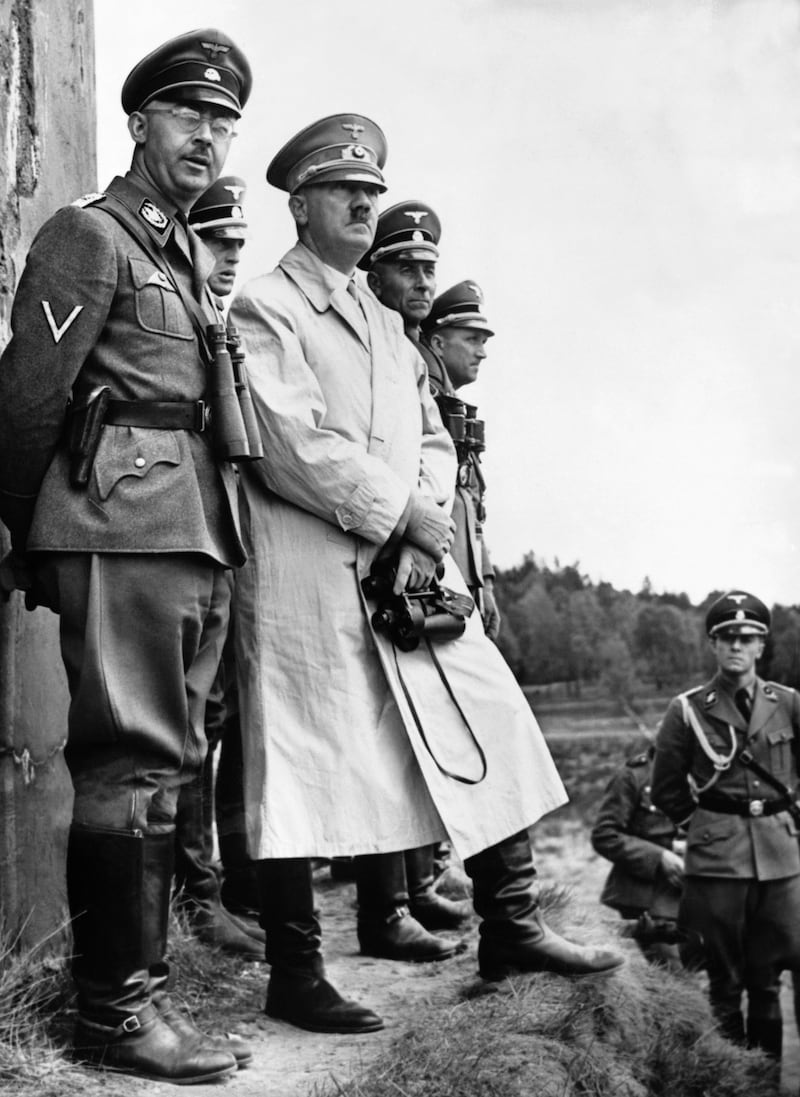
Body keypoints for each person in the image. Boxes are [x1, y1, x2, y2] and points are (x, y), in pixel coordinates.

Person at [228, 112, 624, 1037]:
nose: (365, 205)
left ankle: (513, 922)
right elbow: (288, 442)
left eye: (371, 191)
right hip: (307, 571)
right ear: (300, 206)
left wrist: (423, 522)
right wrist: (394, 508)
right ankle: (297, 969)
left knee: (487, 708)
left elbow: (437, 438)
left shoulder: (386, 325)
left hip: (405, 571)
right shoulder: (267, 308)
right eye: (345, 193)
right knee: (299, 759)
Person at [0, 29, 258, 1083]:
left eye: (224, 120)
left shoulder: (181, 254)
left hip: (186, 533)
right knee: (127, 764)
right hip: (119, 527)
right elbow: (26, 403)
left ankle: (136, 991)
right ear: (139, 121)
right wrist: (32, 532)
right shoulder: (90, 235)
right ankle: (113, 1011)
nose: (208, 134)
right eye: (189, 113)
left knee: (164, 766)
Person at [349, 200, 472, 962]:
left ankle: (410, 884)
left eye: (430, 266)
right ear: (376, 270)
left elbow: (436, 450)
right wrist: (405, 522)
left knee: (409, 730)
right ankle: (386, 903)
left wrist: (424, 528)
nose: (423, 278)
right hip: (368, 546)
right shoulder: (371, 341)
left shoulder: (408, 352)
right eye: (407, 265)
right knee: (373, 735)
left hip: (417, 548)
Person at [168, 176, 264, 959]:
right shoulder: (178, 320)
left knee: (214, 724)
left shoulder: (221, 322)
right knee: (177, 729)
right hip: (169, 536)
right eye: (215, 242)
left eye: (238, 245)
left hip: (220, 539)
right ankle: (194, 898)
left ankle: (212, 892)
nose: (228, 258)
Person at [652, 590, 800, 1064]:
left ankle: (768, 1083)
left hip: (781, 860)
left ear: (761, 647)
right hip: (717, 863)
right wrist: (705, 827)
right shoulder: (688, 709)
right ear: (713, 645)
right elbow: (666, 787)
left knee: (768, 980)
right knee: (723, 980)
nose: (736, 646)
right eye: (727, 638)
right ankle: (732, 1082)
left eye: (747, 638)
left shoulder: (790, 703)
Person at [421, 281, 500, 641]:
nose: (481, 352)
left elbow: (472, 503)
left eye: (482, 342)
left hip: (463, 580)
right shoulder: (424, 399)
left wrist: (486, 582)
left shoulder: (454, 409)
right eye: (471, 340)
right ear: (437, 342)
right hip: (436, 576)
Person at [591, 743, 684, 967]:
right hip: (647, 895)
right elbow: (605, 835)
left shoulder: (704, 773)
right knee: (676, 976)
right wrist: (659, 856)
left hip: (693, 891)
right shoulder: (633, 777)